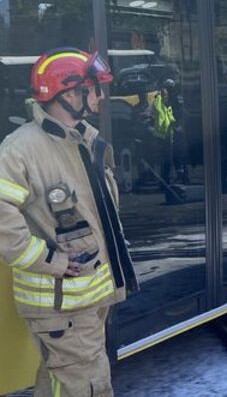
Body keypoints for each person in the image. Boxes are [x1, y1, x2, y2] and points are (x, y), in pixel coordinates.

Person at [0, 48, 138, 397]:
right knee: (89, 387)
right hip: (62, 305)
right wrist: (52, 261)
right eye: (95, 88)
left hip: (86, 300)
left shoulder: (84, 139)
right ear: (68, 92)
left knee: (61, 380)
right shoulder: (21, 150)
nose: (102, 96)